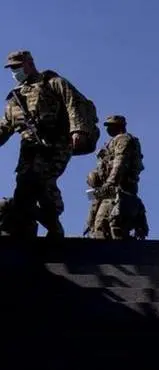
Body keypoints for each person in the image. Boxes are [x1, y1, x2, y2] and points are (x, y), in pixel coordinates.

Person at [0, 50, 98, 238]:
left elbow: (74, 104)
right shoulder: (15, 98)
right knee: (25, 187)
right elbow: (5, 126)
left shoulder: (52, 83)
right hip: (28, 148)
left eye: (17, 66)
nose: (15, 71)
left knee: (40, 181)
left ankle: (50, 224)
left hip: (56, 143)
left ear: (29, 63)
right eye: (12, 68)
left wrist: (78, 130)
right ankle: (30, 228)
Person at [84, 115, 148, 239]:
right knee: (99, 224)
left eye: (111, 125)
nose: (108, 129)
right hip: (111, 190)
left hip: (119, 190)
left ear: (120, 126)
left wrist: (110, 183)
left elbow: (120, 163)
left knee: (103, 225)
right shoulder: (113, 141)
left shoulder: (123, 139)